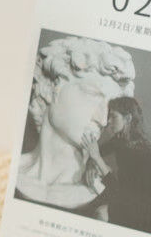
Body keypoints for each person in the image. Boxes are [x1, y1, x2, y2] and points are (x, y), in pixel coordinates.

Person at [16, 36, 135, 215]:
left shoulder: (103, 196)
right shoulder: (5, 169)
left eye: (110, 108)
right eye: (93, 95)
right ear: (51, 89)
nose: (103, 120)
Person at [84, 97, 151, 232]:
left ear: (128, 118)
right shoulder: (120, 140)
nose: (108, 121)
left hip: (140, 211)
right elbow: (99, 151)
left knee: (99, 213)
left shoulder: (141, 153)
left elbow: (119, 190)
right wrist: (91, 162)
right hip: (126, 198)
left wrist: (97, 159)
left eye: (113, 117)